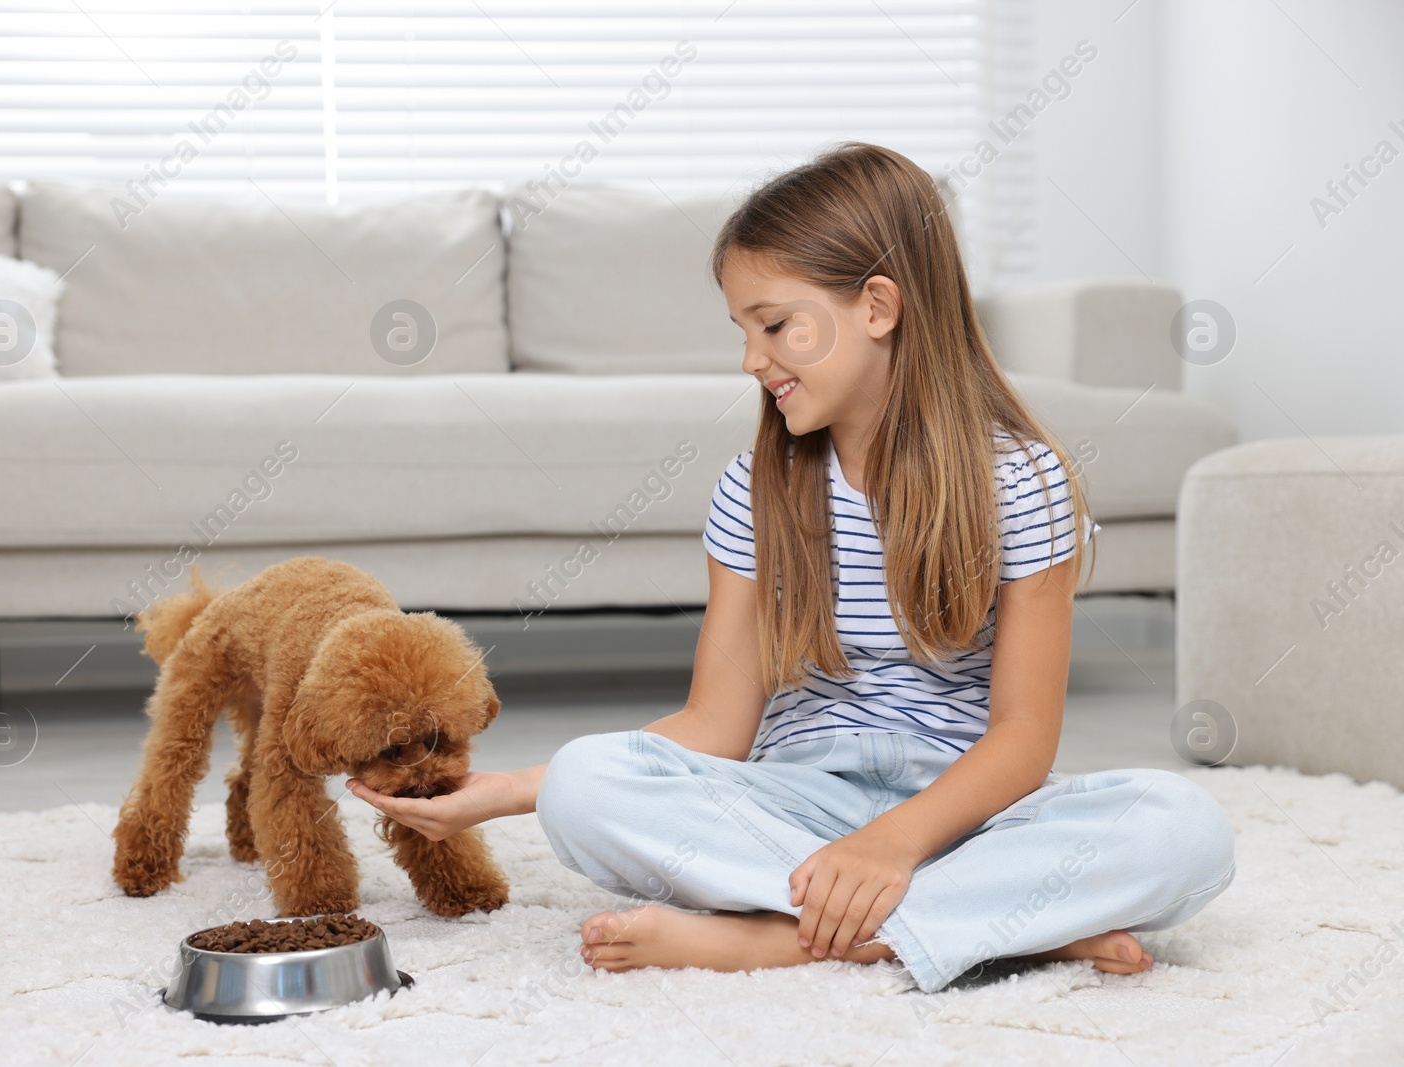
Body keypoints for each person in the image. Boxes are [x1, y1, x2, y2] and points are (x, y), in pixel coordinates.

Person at [347, 141, 1237, 994]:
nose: (751, 359)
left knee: (1184, 830)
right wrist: (508, 792)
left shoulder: (1024, 480)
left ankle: (778, 938)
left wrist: (893, 844)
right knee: (586, 782)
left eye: (774, 325)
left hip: (962, 814)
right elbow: (714, 722)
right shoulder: (755, 488)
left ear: (879, 307)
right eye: (744, 329)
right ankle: (996, 926)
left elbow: (1023, 738)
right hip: (796, 796)